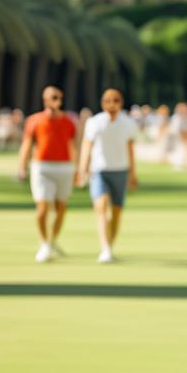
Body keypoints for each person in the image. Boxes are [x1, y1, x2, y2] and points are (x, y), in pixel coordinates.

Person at [76, 88, 139, 263]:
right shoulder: (94, 122)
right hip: (99, 171)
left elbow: (131, 149)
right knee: (101, 207)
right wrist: (82, 170)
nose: (112, 104)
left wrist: (133, 174)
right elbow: (86, 147)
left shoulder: (128, 123)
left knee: (117, 212)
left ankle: (109, 245)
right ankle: (105, 248)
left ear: (121, 102)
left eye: (116, 100)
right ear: (103, 103)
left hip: (120, 171)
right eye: (108, 101)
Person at [18, 85, 78, 263]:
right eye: (52, 97)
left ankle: (52, 240)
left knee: (61, 208)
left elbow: (75, 146)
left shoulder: (69, 121)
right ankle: (44, 243)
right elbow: (27, 144)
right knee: (43, 207)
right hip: (42, 167)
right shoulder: (34, 120)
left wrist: (79, 169)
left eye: (58, 97)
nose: (56, 100)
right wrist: (22, 165)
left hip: (64, 167)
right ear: (45, 99)